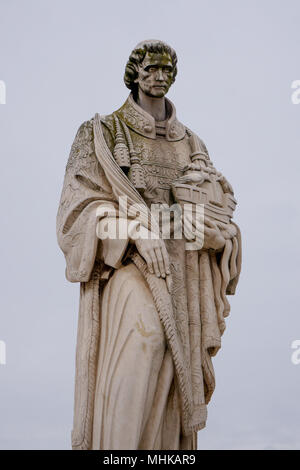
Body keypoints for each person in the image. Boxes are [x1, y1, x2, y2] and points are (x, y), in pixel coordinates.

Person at [57, 39, 241, 450]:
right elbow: (75, 214)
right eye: (151, 69)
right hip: (129, 266)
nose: (159, 77)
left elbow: (212, 217)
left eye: (166, 71)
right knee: (146, 341)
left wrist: (215, 237)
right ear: (135, 74)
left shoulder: (193, 145)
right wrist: (134, 231)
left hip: (185, 276)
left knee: (174, 380)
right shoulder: (101, 133)